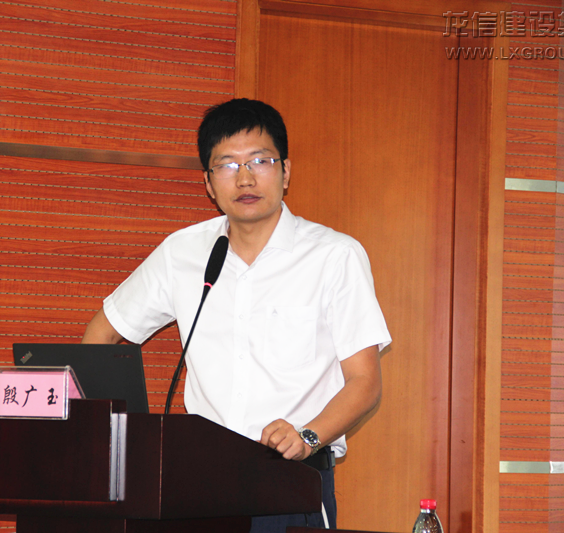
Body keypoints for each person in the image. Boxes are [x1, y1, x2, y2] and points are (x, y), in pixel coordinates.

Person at [82, 98, 391, 532]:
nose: (245, 178)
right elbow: (102, 335)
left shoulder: (334, 256)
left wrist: (307, 436)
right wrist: (112, 441)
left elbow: (365, 381)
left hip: (292, 478)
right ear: (209, 183)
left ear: (285, 171)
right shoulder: (182, 253)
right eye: (227, 165)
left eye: (260, 161)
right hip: (200, 483)